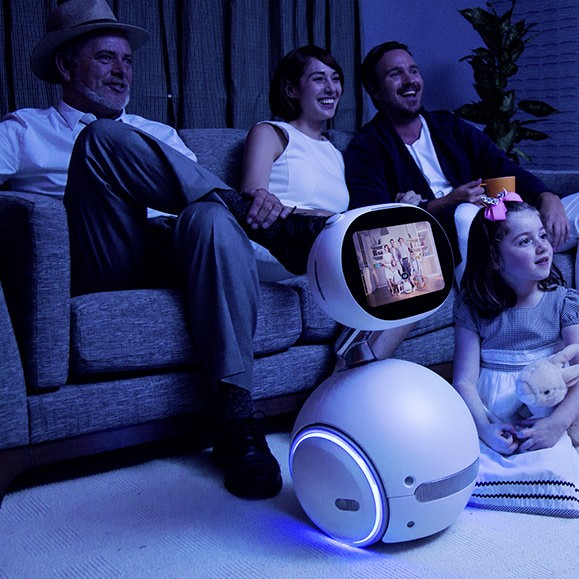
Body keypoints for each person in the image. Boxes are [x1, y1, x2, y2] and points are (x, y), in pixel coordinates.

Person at [0, 0, 327, 500]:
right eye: (105, 57)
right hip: (101, 254)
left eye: (127, 60)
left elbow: (196, 204)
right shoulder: (24, 130)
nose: (121, 71)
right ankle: (262, 223)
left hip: (175, 255)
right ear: (65, 66)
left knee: (212, 217)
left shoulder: (161, 133)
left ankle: (237, 420)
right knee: (102, 138)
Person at [344, 41, 579, 288]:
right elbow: (373, 217)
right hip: (447, 236)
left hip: (499, 221)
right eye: (395, 74)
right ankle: (478, 307)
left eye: (413, 71)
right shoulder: (367, 147)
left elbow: (501, 166)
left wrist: (546, 196)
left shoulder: (448, 126)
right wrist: (446, 202)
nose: (409, 80)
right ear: (374, 90)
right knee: (465, 213)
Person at [452, 197, 579, 516]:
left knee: (556, 465)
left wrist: (556, 424)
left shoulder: (564, 302)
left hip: (552, 405)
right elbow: (464, 381)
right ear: (495, 258)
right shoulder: (471, 307)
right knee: (468, 462)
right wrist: (484, 429)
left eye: (543, 236)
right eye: (525, 241)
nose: (542, 246)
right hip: (495, 408)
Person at [240, 45, 349, 281]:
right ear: (291, 89)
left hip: (325, 246)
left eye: (335, 78)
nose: (331, 88)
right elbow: (252, 201)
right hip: (279, 245)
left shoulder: (336, 153)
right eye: (318, 79)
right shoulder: (270, 133)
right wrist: (316, 216)